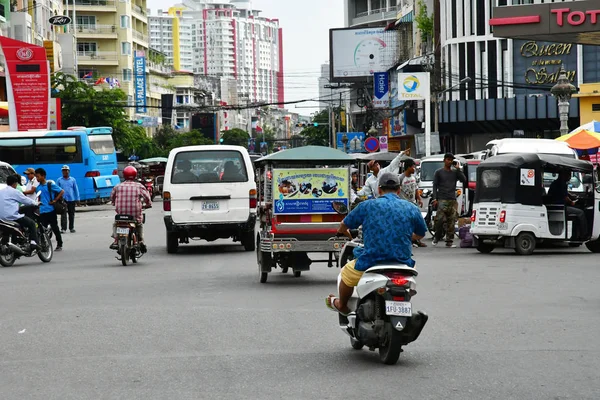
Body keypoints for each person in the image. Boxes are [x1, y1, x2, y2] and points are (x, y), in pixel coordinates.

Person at [325, 172, 427, 315]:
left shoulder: (367, 206)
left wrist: (344, 232)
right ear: (399, 190)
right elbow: (421, 233)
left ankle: (342, 305)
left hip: (372, 261)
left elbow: (344, 224)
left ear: (379, 189)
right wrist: (407, 237)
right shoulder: (412, 208)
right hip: (403, 262)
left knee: (346, 274)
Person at [109, 166, 152, 251]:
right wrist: (148, 204)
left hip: (121, 214)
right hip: (134, 214)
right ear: (135, 175)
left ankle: (115, 240)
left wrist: (114, 203)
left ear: (124, 175)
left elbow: (112, 198)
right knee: (139, 223)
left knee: (116, 223)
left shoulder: (117, 186)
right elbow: (147, 197)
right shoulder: (139, 186)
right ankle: (140, 240)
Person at [431, 153, 467, 248]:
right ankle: (437, 236)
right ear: (444, 160)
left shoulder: (455, 172)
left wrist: (458, 169)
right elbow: (435, 185)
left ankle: (449, 241)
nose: (449, 161)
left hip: (452, 199)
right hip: (442, 199)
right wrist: (435, 198)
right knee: (439, 220)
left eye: (451, 160)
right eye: (448, 159)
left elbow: (464, 180)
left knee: (451, 221)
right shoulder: (438, 172)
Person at [0, 175, 39, 250]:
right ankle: (33, 243)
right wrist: (36, 203)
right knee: (32, 223)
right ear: (15, 183)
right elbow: (25, 200)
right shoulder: (15, 191)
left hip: (1, 218)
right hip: (11, 217)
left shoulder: (1, 191)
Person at [548, 170, 587, 240]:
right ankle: (584, 234)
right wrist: (573, 202)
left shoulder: (556, 183)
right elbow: (566, 198)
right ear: (563, 175)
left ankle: (575, 235)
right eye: (569, 175)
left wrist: (574, 196)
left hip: (556, 206)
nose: (570, 177)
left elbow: (566, 194)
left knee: (576, 214)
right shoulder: (561, 183)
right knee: (581, 213)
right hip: (560, 207)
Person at [35, 168, 64, 251]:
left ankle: (59, 243)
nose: (37, 178)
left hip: (50, 210)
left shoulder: (49, 185)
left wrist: (55, 200)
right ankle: (44, 245)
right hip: (42, 211)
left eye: (38, 176)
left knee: (55, 227)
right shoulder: (38, 188)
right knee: (42, 230)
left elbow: (61, 191)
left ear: (43, 176)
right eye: (36, 177)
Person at [401, 159, 426, 248]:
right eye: (413, 166)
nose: (414, 168)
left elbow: (415, 189)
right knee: (407, 224)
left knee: (416, 222)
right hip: (404, 205)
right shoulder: (401, 178)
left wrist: (419, 199)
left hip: (413, 204)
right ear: (408, 167)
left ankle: (416, 239)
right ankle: (409, 240)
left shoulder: (413, 178)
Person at [56, 165, 80, 234]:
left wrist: (77, 199)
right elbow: (56, 189)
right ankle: (63, 228)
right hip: (63, 199)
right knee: (63, 214)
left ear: (69, 171)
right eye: (63, 170)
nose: (65, 172)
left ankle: (71, 227)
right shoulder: (59, 180)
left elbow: (76, 190)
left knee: (71, 214)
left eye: (66, 170)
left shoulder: (72, 180)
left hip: (71, 199)